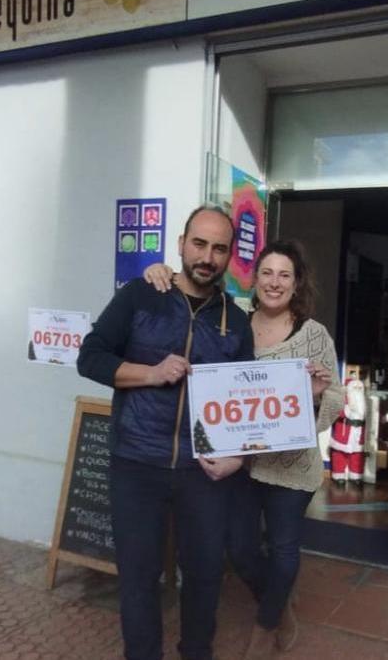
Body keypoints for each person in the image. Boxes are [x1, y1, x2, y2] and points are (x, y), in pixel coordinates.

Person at [144, 239, 344, 660]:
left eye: (284, 275)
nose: (274, 283)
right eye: (267, 273)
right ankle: (277, 598)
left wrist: (313, 395)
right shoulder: (234, 324)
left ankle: (267, 625)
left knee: (285, 548)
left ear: (297, 283)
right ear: (255, 279)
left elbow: (336, 400)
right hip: (244, 464)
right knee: (241, 549)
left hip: (292, 465)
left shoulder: (313, 335)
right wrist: (157, 272)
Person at [77, 205, 255, 660]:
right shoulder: (142, 294)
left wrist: (240, 457)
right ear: (180, 244)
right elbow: (90, 357)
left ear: (229, 256)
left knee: (204, 574)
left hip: (203, 469)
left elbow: (246, 404)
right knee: (138, 577)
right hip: (136, 462)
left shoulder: (235, 321)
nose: (207, 256)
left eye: (219, 248)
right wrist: (150, 374)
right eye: (199, 244)